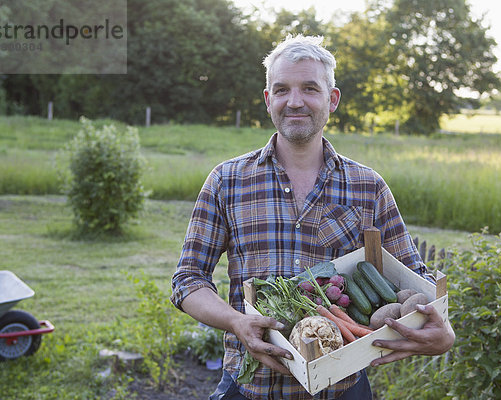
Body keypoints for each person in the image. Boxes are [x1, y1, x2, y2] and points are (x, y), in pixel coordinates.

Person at [171, 35, 455, 400]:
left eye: (309, 88)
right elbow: (188, 279)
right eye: (282, 89)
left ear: (331, 99)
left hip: (343, 388)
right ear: (267, 99)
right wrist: (236, 321)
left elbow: (418, 281)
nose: (295, 101)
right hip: (252, 383)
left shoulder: (368, 187)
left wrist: (444, 331)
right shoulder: (227, 181)